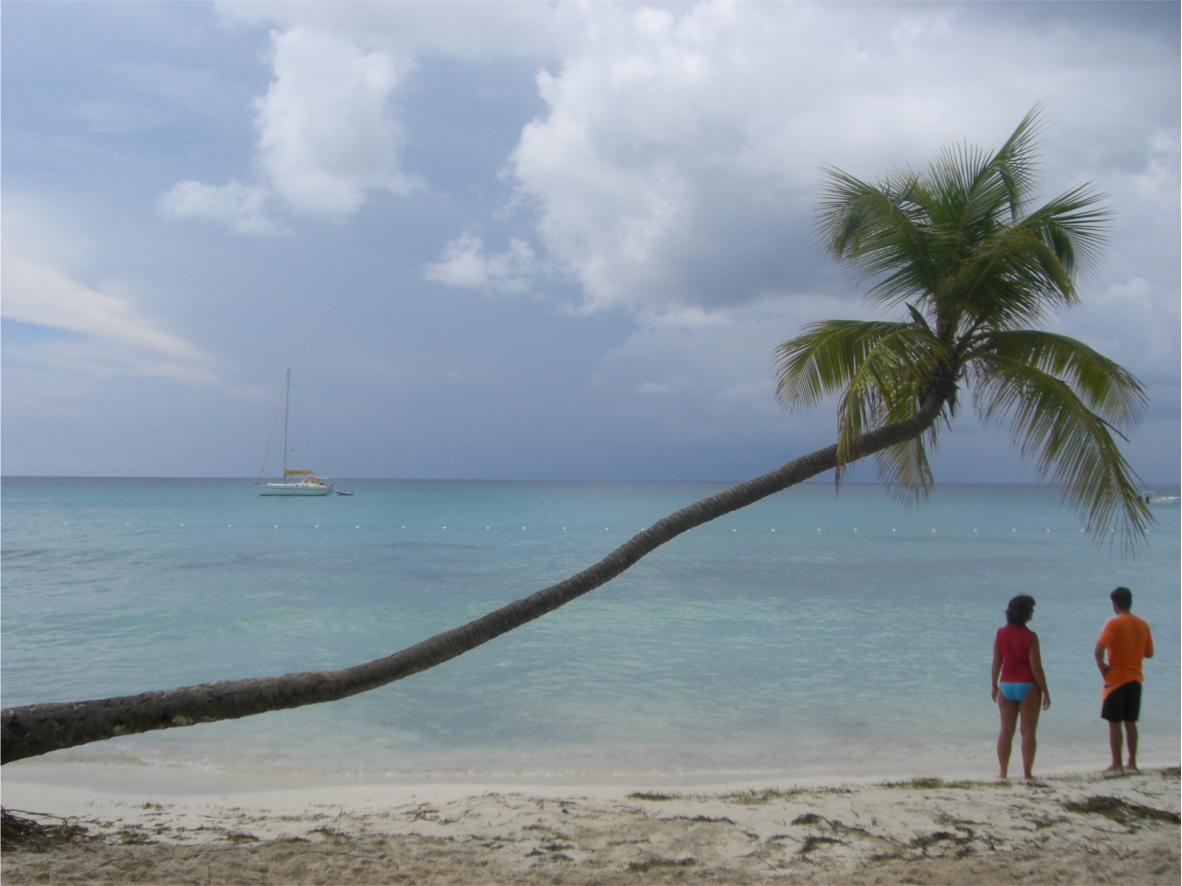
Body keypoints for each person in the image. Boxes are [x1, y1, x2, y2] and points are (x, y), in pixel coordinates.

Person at [1094, 587, 1154, 773]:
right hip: (1136, 678)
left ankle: (1117, 763)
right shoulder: (1143, 624)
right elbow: (1149, 653)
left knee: (1114, 723)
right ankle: (1132, 763)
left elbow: (1099, 649)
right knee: (1130, 722)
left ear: (1115, 603)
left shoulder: (1113, 624)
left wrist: (1102, 666)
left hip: (1117, 679)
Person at [991, 594, 1051, 779]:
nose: (1033, 612)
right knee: (1028, 732)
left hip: (1006, 684)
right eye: (1032, 609)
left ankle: (1003, 772)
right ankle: (1027, 773)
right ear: (1026, 613)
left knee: (1005, 731)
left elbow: (996, 662)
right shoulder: (1031, 637)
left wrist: (994, 685)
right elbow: (1036, 668)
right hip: (1028, 686)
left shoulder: (1000, 634)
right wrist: (1046, 692)